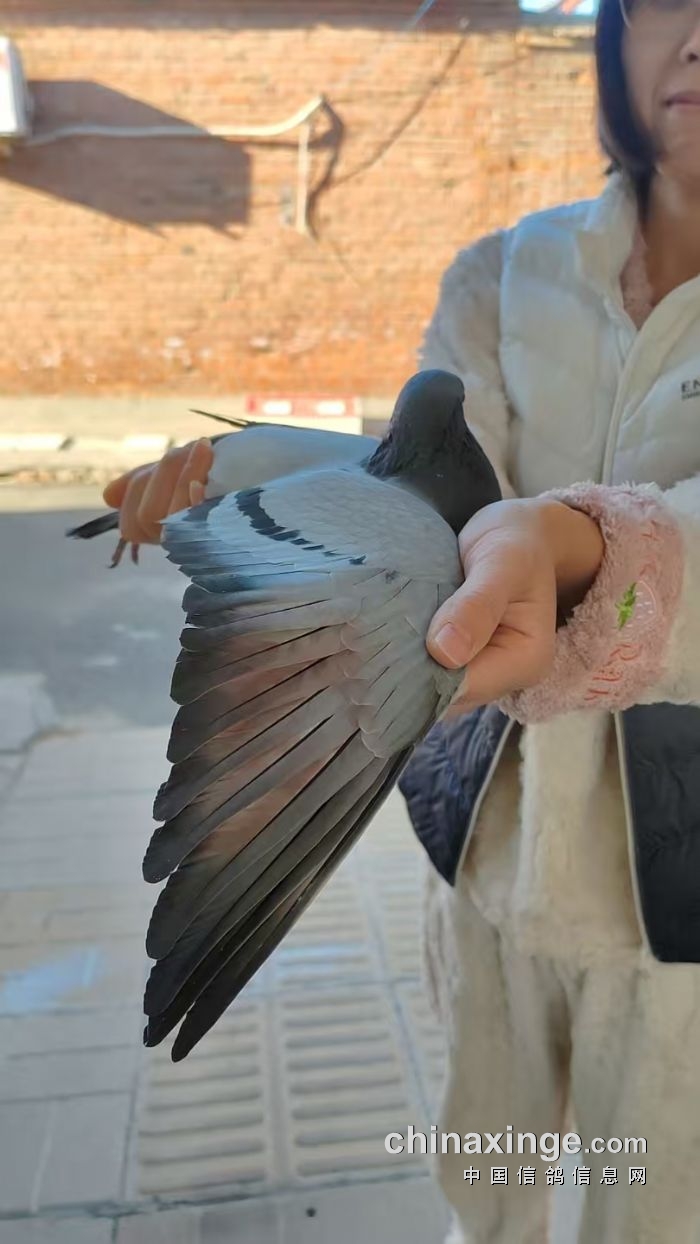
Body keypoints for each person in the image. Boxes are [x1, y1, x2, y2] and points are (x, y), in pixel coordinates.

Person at [102, 0, 700, 1238]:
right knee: (486, 1185)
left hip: (685, 900)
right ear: (611, 36)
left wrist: (581, 548)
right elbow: (427, 486)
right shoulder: (505, 270)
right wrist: (245, 469)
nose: (695, 40)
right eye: (661, 4)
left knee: (652, 1209)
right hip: (484, 841)